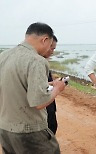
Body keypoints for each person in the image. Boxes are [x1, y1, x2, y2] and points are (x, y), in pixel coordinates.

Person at [0, 22, 66, 154]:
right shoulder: (36, 60)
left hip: (5, 129)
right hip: (29, 131)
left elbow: (15, 85)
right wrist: (58, 89)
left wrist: (46, 85)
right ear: (45, 40)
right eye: (50, 45)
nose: (49, 50)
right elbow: (40, 102)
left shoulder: (4, 56)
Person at [45, 35, 58, 135]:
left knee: (52, 125)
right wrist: (56, 86)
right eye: (52, 48)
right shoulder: (36, 62)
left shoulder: (44, 61)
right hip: (43, 103)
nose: (52, 51)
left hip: (49, 102)